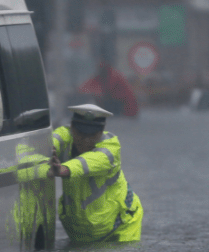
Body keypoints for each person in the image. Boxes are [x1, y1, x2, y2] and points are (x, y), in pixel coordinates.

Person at [50, 104, 144, 244]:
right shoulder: (65, 136)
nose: (85, 140)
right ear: (72, 128)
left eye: (92, 135)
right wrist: (45, 150)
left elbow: (89, 162)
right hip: (81, 232)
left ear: (101, 132)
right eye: (80, 133)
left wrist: (63, 170)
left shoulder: (111, 149)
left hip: (120, 229)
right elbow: (51, 140)